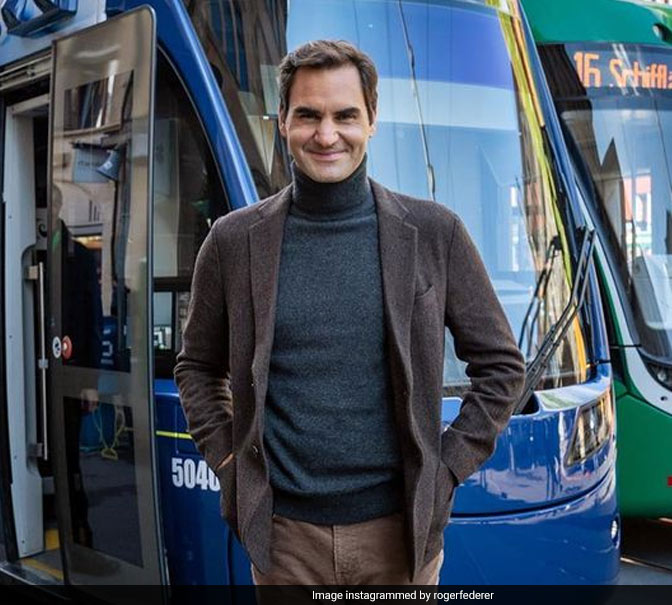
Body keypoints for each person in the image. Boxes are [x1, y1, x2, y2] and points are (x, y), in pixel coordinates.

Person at [175, 39, 525, 586]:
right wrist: (229, 466)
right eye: (308, 115)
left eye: (345, 116)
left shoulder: (435, 232)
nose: (327, 134)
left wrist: (446, 468)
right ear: (283, 121)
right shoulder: (233, 241)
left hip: (402, 535)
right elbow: (196, 367)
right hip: (284, 539)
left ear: (372, 120)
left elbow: (503, 368)